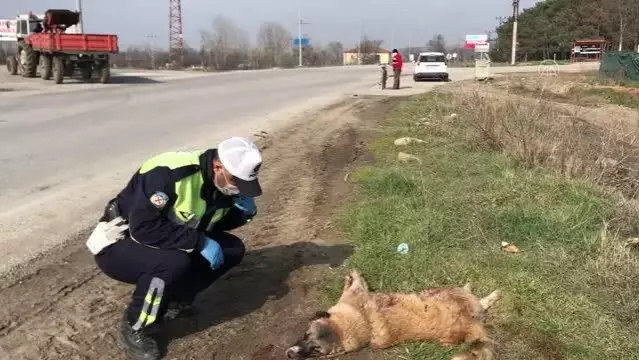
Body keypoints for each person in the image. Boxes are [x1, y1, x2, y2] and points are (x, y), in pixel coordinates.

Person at [85, 136, 263, 360]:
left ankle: (173, 299)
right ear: (218, 166)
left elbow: (211, 224)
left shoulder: (220, 184)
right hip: (119, 242)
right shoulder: (171, 173)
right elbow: (144, 228)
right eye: (236, 182)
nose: (237, 189)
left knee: (231, 249)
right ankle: (137, 326)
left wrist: (244, 214)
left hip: (165, 239)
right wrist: (200, 242)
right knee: (172, 263)